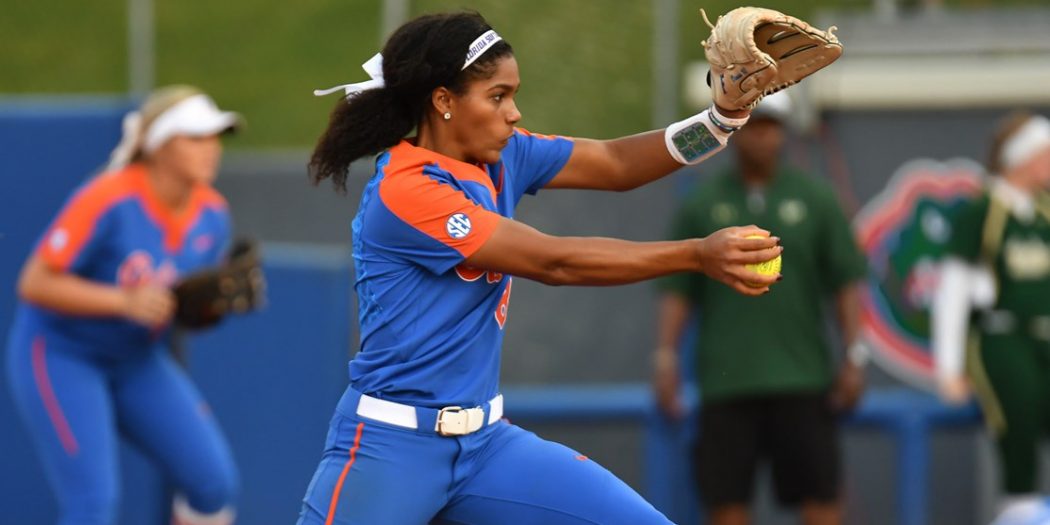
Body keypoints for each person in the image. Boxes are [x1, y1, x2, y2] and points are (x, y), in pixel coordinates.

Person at [298, 11, 786, 525]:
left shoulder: (503, 156)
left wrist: (722, 119)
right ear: (443, 101)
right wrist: (694, 255)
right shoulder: (406, 190)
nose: (513, 112)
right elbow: (554, 262)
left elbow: (617, 164)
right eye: (497, 95)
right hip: (392, 447)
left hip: (486, 448)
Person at [6, 85, 241, 525]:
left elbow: (182, 307)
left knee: (214, 484)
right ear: (159, 146)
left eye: (215, 137)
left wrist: (209, 307)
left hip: (136, 359)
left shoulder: (213, 213)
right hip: (61, 353)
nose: (211, 149)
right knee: (93, 504)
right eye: (195, 137)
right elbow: (33, 282)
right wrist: (122, 301)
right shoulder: (109, 197)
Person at [651, 92, 868, 525]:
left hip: (802, 376)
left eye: (770, 126)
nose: (761, 137)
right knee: (726, 503)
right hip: (728, 381)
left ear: (784, 133)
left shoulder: (816, 199)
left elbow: (846, 283)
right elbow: (679, 290)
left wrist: (854, 356)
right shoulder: (703, 204)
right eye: (752, 125)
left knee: (821, 498)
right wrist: (666, 356)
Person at [932, 111, 1050, 525]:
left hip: (1044, 337)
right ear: (1023, 158)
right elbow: (953, 293)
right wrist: (948, 368)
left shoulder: (1043, 214)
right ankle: (1019, 509)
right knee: (1017, 431)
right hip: (1003, 338)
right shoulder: (983, 210)